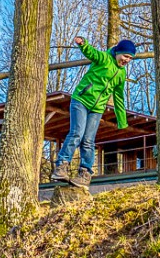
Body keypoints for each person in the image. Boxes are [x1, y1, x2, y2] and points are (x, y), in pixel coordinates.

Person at [53, 36, 134, 189]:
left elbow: (118, 97)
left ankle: (85, 174)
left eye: (130, 58)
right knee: (77, 133)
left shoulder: (121, 74)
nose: (127, 60)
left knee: (88, 140)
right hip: (81, 100)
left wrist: (122, 120)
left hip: (97, 109)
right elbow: (92, 53)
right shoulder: (104, 58)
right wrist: (83, 44)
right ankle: (61, 167)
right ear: (118, 52)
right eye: (125, 56)